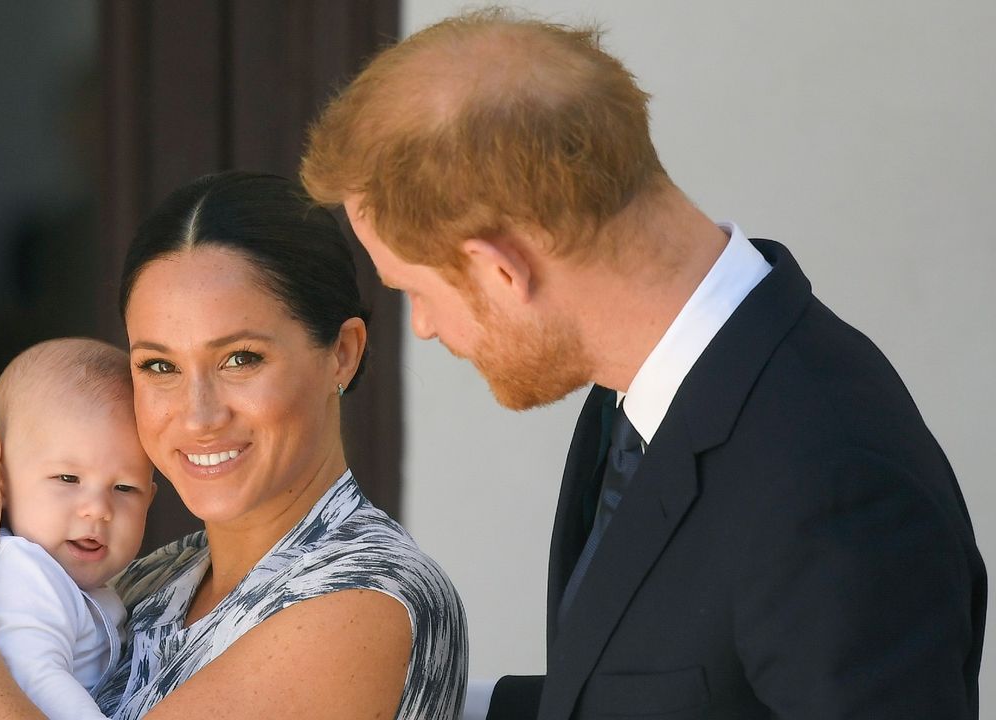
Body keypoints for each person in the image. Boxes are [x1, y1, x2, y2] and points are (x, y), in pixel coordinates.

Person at [301, 9, 985, 720]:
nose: (427, 327)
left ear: (500, 270)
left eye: (415, 290)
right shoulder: (646, 389)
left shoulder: (833, 481)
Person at [0, 171, 468, 719]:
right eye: (160, 366)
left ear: (342, 354)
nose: (199, 416)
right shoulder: (153, 579)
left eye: (240, 359)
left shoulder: (362, 598)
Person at [0, 337, 156, 719]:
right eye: (68, 478)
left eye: (124, 488)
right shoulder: (23, 574)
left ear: (150, 498)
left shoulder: (71, 581)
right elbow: (35, 681)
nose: (98, 509)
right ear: (0, 483)